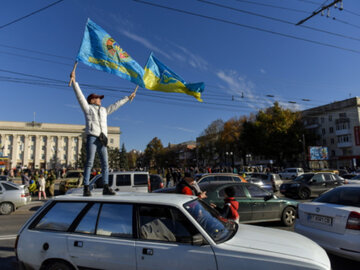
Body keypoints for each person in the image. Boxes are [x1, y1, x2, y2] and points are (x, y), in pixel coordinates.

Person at [70, 65, 136, 196]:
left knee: (106, 164)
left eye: (100, 98)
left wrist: (128, 98)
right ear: (92, 100)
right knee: (89, 162)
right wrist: (74, 82)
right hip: (92, 137)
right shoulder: (88, 108)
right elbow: (80, 97)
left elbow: (115, 105)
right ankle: (86, 188)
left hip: (103, 139)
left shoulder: (104, 110)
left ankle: (106, 187)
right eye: (98, 98)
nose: (100, 100)